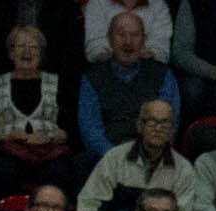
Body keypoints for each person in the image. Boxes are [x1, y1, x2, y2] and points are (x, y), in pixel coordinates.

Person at [77, 98, 216, 211]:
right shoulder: (114, 158)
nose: (158, 128)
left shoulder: (183, 169)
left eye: (165, 123)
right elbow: (85, 209)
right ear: (140, 126)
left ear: (172, 130)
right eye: (152, 121)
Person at [78, 11, 182, 163]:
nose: (128, 41)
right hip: (106, 159)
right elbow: (90, 129)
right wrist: (116, 159)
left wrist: (147, 155)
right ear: (109, 39)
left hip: (151, 157)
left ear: (144, 39)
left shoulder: (163, 75)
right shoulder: (92, 77)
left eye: (135, 35)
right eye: (121, 35)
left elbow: (169, 123)